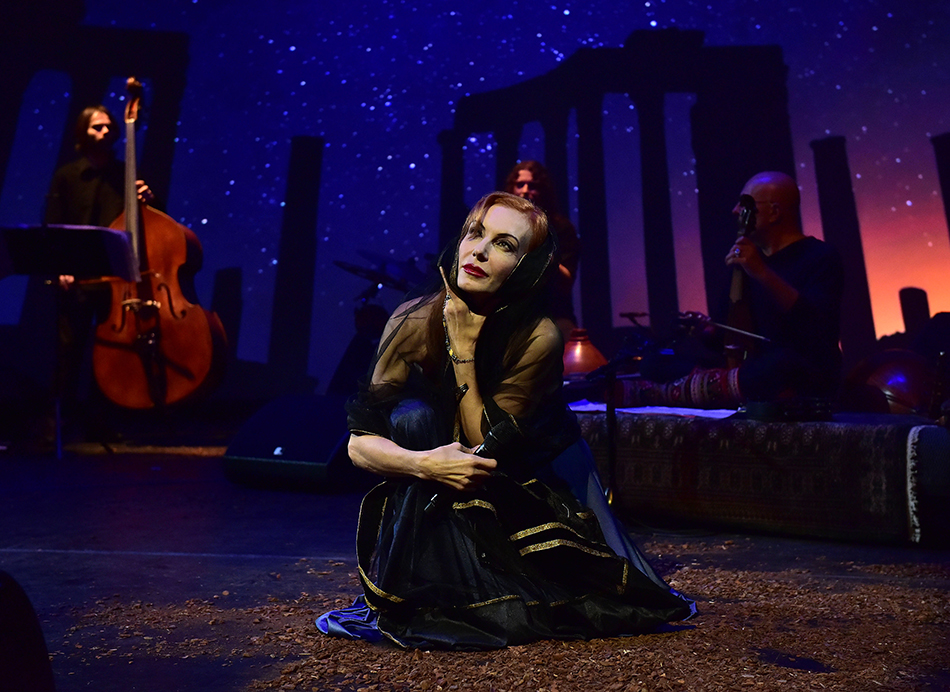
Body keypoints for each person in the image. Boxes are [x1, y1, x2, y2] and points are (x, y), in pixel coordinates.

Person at [317, 192, 694, 650]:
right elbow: (359, 443)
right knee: (411, 418)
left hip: (535, 469)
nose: (478, 251)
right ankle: (435, 586)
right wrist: (425, 464)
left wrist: (463, 350)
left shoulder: (539, 336)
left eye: (504, 244)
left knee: (597, 593)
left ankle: (491, 583)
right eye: (475, 234)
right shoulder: (413, 320)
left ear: (525, 269)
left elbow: (488, 445)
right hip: (446, 467)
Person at [619, 171, 844, 409]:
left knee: (781, 365)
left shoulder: (820, 257)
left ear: (774, 212)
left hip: (795, 369)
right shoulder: (745, 261)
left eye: (745, 204)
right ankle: (715, 388)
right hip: (745, 371)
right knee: (655, 361)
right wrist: (706, 331)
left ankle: (681, 391)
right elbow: (730, 342)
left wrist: (762, 273)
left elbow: (816, 327)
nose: (735, 211)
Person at [41, 105, 156, 437]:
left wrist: (149, 200)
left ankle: (101, 421)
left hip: (116, 280)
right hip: (78, 277)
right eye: (97, 127)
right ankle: (58, 423)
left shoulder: (126, 175)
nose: (105, 132)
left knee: (112, 353)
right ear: (83, 133)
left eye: (109, 127)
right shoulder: (66, 176)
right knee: (69, 351)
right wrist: (61, 268)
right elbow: (53, 226)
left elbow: (148, 225)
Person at [504, 160, 580, 341]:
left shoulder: (561, 228)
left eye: (532, 186)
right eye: (520, 185)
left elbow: (567, 281)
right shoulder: (502, 227)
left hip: (553, 314)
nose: (525, 191)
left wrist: (539, 247)